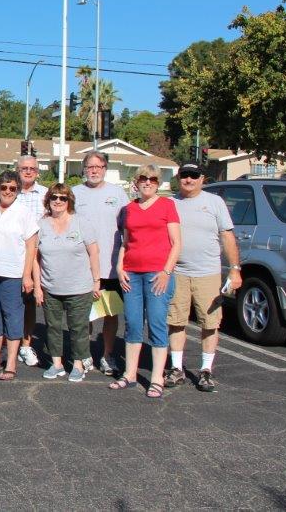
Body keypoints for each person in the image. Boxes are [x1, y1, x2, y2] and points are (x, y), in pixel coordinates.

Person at [166, 163, 241, 392]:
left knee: (209, 323)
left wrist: (235, 269)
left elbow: (227, 236)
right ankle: (176, 368)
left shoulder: (214, 202)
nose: (188, 179)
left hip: (207, 272)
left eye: (193, 176)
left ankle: (206, 370)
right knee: (176, 321)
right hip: (178, 271)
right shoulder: (170, 203)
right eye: (184, 175)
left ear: (202, 179)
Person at [111, 164, 181, 398]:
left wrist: (166, 272)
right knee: (132, 322)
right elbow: (126, 241)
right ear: (136, 182)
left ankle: (157, 378)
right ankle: (130, 374)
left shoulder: (167, 205)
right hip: (132, 274)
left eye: (152, 179)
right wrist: (120, 267)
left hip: (157, 275)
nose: (147, 182)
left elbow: (176, 243)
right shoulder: (129, 208)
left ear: (158, 183)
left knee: (157, 323)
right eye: (143, 178)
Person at [34, 184, 102, 383]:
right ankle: (57, 364)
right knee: (53, 327)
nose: (58, 201)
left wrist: (96, 281)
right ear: (48, 200)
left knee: (78, 327)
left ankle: (78, 364)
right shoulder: (41, 224)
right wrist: (38, 286)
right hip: (51, 287)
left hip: (79, 287)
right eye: (54, 197)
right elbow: (35, 259)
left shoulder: (81, 223)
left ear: (69, 201)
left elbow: (94, 252)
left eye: (63, 198)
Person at [0, 170, 39, 381]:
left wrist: (27, 275)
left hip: (13, 274)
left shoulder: (23, 212)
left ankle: (11, 363)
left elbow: (32, 246)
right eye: (4, 187)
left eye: (13, 188)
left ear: (18, 190)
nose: (8, 191)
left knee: (13, 317)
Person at [72, 151, 129, 376]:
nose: (94, 170)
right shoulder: (75, 193)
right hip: (82, 268)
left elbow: (127, 228)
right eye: (90, 166)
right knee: (83, 314)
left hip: (110, 267)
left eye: (99, 166)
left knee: (109, 313)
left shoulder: (117, 193)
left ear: (105, 169)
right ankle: (84, 354)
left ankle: (107, 355)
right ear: (84, 169)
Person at [14, 154, 47, 368]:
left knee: (30, 303)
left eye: (32, 169)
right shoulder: (9, 191)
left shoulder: (45, 194)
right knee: (9, 304)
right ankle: (10, 345)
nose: (28, 172)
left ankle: (26, 345)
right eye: (24, 168)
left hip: (37, 257)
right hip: (11, 256)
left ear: (37, 171)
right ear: (17, 170)